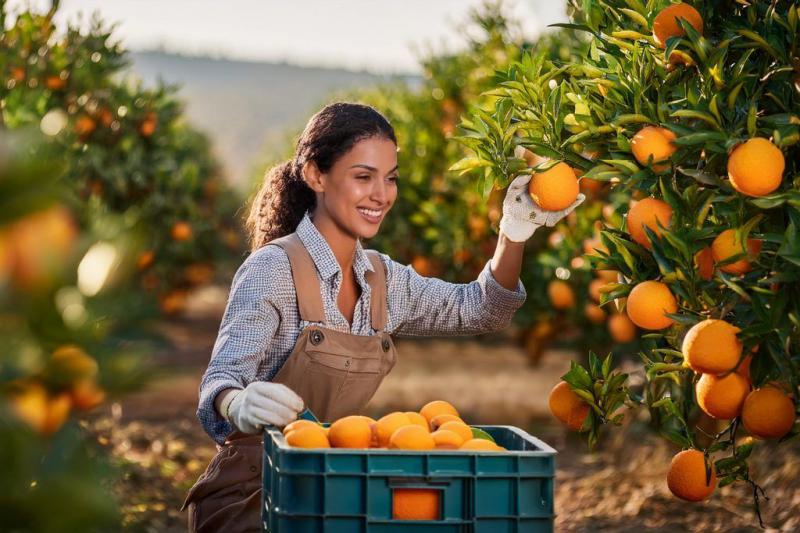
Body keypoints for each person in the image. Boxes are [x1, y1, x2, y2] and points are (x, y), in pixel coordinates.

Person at [182, 102, 583, 531]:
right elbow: (218, 384)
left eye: (390, 178)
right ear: (316, 175)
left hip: (330, 492)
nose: (381, 195)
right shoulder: (273, 270)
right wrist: (237, 402)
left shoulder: (381, 279)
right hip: (255, 497)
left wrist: (513, 233)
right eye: (363, 177)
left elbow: (482, 310)